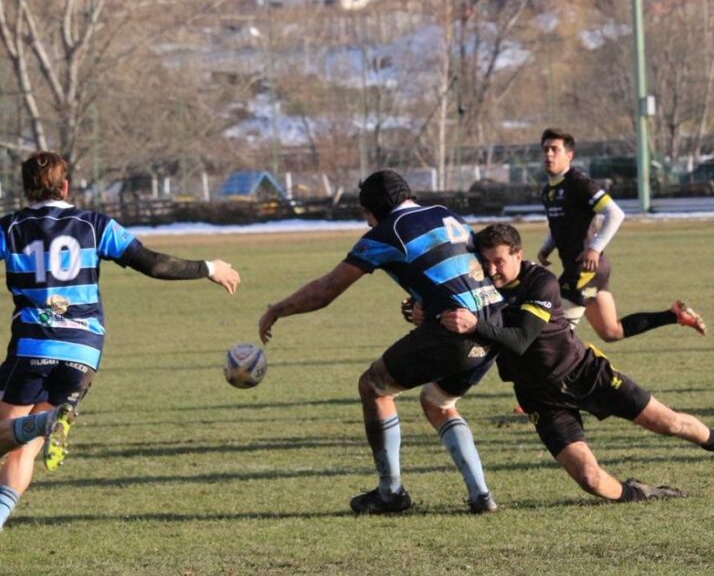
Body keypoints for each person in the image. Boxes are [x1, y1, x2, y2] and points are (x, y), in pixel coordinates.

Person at [438, 223, 714, 502]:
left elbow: (521, 339)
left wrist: (474, 324)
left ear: (517, 255)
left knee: (668, 423)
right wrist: (427, 312)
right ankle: (642, 493)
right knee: (590, 480)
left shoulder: (541, 282)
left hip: (584, 373)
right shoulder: (478, 288)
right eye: (486, 262)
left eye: (498, 261)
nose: (492, 270)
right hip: (538, 397)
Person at [0, 151, 240, 529]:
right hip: (83, 351)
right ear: (65, 186)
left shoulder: (10, 228)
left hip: (33, 346)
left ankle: (43, 424)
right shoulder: (95, 225)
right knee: (24, 450)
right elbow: (153, 263)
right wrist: (208, 267)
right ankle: (45, 426)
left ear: (25, 187)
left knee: (6, 437)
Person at [258, 170, 501, 514]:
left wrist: (277, 310)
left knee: (374, 387)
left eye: (366, 213)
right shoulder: (446, 214)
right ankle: (481, 495)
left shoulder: (387, 232)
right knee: (439, 402)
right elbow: (463, 271)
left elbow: (327, 290)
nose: (366, 221)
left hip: (454, 332)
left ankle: (390, 493)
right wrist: (427, 303)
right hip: (493, 327)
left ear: (375, 210)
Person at [538, 128, 706, 342]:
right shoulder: (548, 191)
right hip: (582, 268)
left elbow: (615, 214)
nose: (549, 154)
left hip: (585, 269)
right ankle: (674, 315)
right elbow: (560, 224)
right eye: (546, 149)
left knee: (552, 333)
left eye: (555, 149)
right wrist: (547, 247)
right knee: (611, 332)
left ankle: (580, 364)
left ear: (569, 155)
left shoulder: (579, 183)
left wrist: (594, 248)